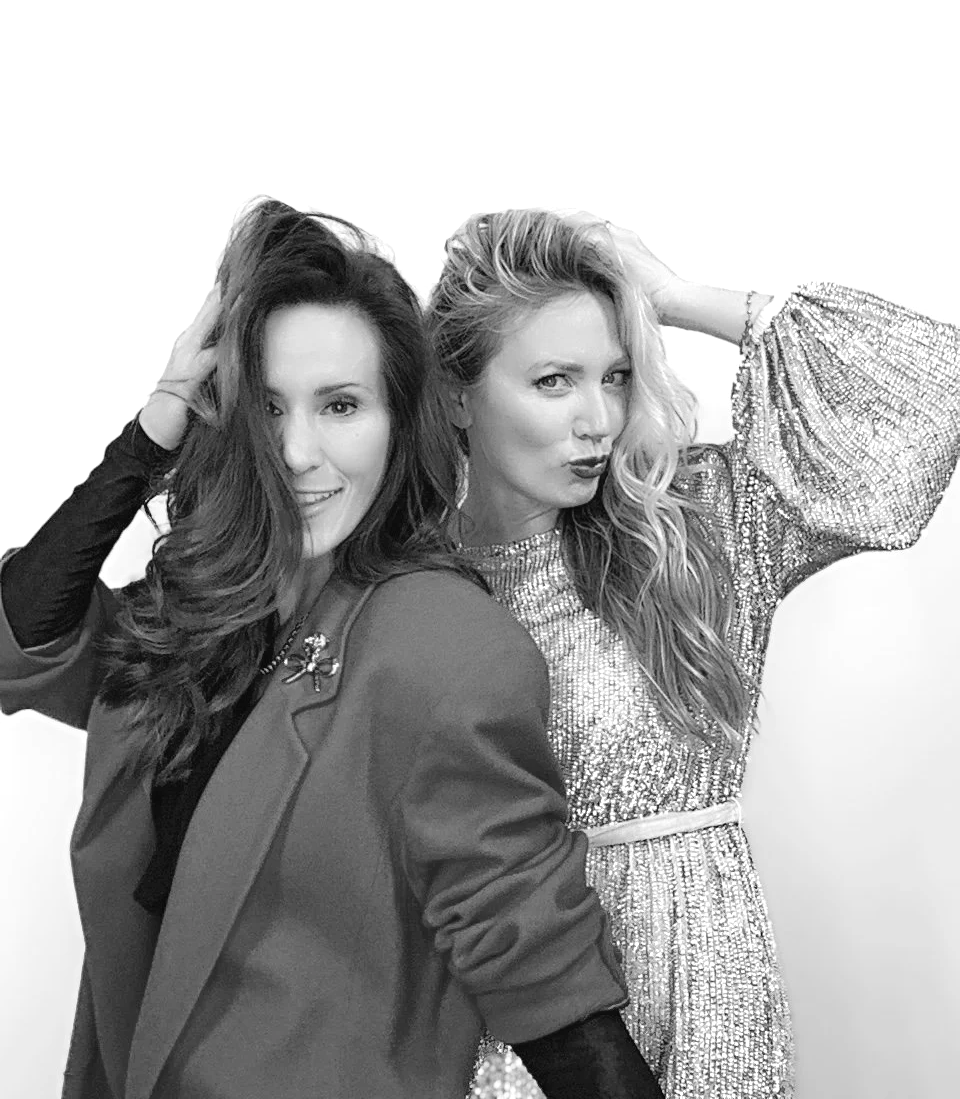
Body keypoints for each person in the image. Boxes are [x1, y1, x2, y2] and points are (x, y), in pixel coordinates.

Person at [0, 201, 667, 1099]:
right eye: (267, 407)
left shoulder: (443, 644)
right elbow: (22, 639)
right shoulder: (201, 611)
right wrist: (155, 424)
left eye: (342, 406)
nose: (296, 453)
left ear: (402, 421)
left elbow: (543, 976)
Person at [426, 207, 960, 1099]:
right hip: (514, 1010)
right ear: (454, 394)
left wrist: (678, 298)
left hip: (713, 986)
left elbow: (931, 397)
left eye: (618, 375)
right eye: (555, 381)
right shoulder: (413, 589)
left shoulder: (693, 527)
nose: (599, 418)